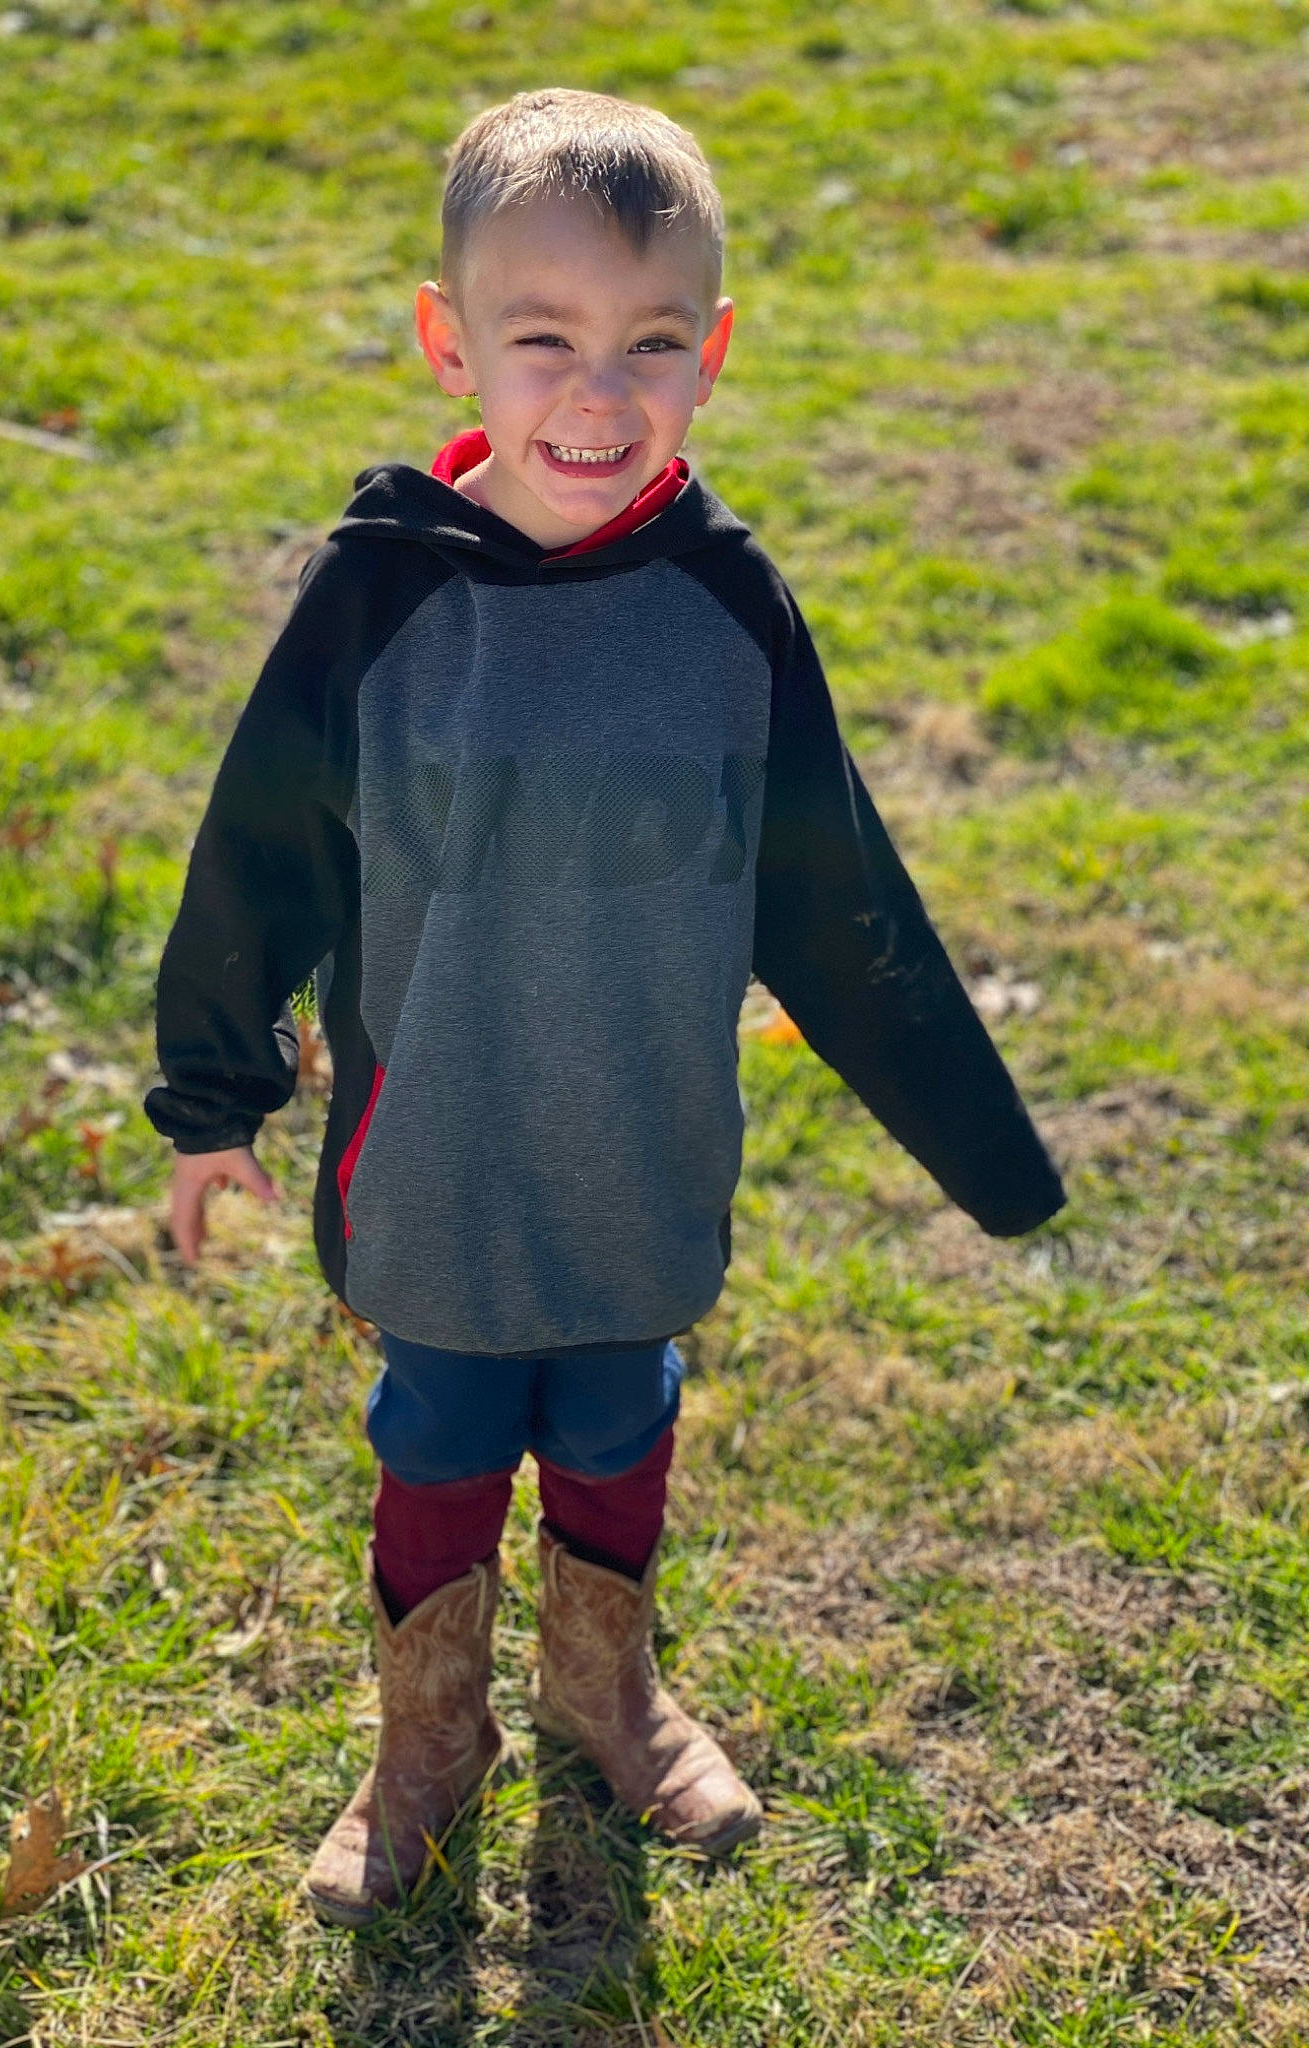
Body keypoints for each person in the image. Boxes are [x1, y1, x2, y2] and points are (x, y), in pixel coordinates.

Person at [144, 88, 1066, 1926]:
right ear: (450, 341)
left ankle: (604, 1691)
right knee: (442, 1433)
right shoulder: (383, 598)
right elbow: (258, 851)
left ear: (713, 353)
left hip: (638, 1143)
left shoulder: (728, 609)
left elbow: (837, 897)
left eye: (651, 344)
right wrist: (209, 1101)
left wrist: (991, 1159)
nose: (597, 390)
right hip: (443, 1160)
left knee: (622, 1414)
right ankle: (426, 1740)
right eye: (542, 337)